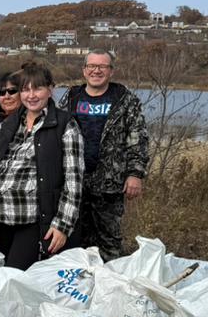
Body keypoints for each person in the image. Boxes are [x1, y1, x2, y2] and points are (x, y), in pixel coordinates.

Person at [0, 61, 84, 270]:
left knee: (15, 275)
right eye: (25, 90)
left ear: (51, 89)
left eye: (38, 88)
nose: (31, 95)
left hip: (34, 220)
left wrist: (62, 225)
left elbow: (74, 181)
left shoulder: (65, 125)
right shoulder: (7, 125)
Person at [61, 49, 149, 261]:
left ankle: (110, 285)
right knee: (73, 239)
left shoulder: (125, 100)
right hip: (74, 182)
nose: (96, 71)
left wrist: (135, 173)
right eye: (92, 66)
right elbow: (57, 133)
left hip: (110, 184)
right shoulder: (72, 97)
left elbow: (138, 138)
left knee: (108, 241)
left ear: (111, 71)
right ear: (84, 70)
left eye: (102, 66)